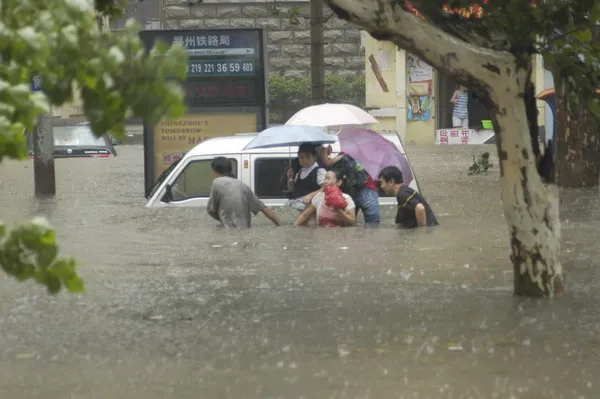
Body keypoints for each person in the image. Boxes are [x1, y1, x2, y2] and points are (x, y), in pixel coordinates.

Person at [207, 157, 280, 228]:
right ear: (230, 169)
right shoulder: (243, 186)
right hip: (245, 230)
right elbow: (264, 208)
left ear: (215, 170)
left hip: (228, 232)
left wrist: (223, 221)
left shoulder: (216, 182)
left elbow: (210, 210)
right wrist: (280, 224)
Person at [317, 144, 381, 225]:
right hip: (369, 190)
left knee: (349, 225)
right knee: (373, 227)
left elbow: (330, 169)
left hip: (350, 193)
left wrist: (325, 150)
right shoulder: (371, 154)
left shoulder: (345, 154)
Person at [286, 143, 326, 211]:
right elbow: (293, 190)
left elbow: (325, 188)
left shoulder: (320, 171)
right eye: (301, 157)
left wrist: (311, 195)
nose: (304, 160)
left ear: (314, 157)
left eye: (308, 157)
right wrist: (290, 180)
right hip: (296, 202)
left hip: (310, 206)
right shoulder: (300, 171)